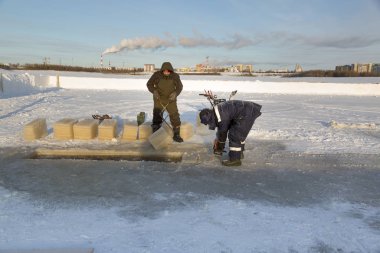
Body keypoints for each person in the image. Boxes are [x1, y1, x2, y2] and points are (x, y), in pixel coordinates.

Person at [199, 100, 262, 166]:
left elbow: (223, 133)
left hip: (246, 113)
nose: (208, 124)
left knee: (235, 135)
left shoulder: (221, 116)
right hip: (247, 110)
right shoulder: (217, 112)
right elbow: (222, 128)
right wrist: (218, 140)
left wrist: (219, 147)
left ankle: (235, 160)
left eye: (208, 123)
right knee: (238, 133)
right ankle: (239, 153)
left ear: (209, 119)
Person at [147, 62, 184, 142]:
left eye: (168, 71)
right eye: (165, 71)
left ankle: (177, 135)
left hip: (171, 99)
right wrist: (154, 91)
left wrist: (175, 93)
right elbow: (149, 84)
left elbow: (179, 87)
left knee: (174, 115)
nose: (166, 72)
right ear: (162, 70)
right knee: (157, 115)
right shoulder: (156, 75)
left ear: (171, 70)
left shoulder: (175, 76)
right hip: (158, 98)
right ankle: (156, 134)